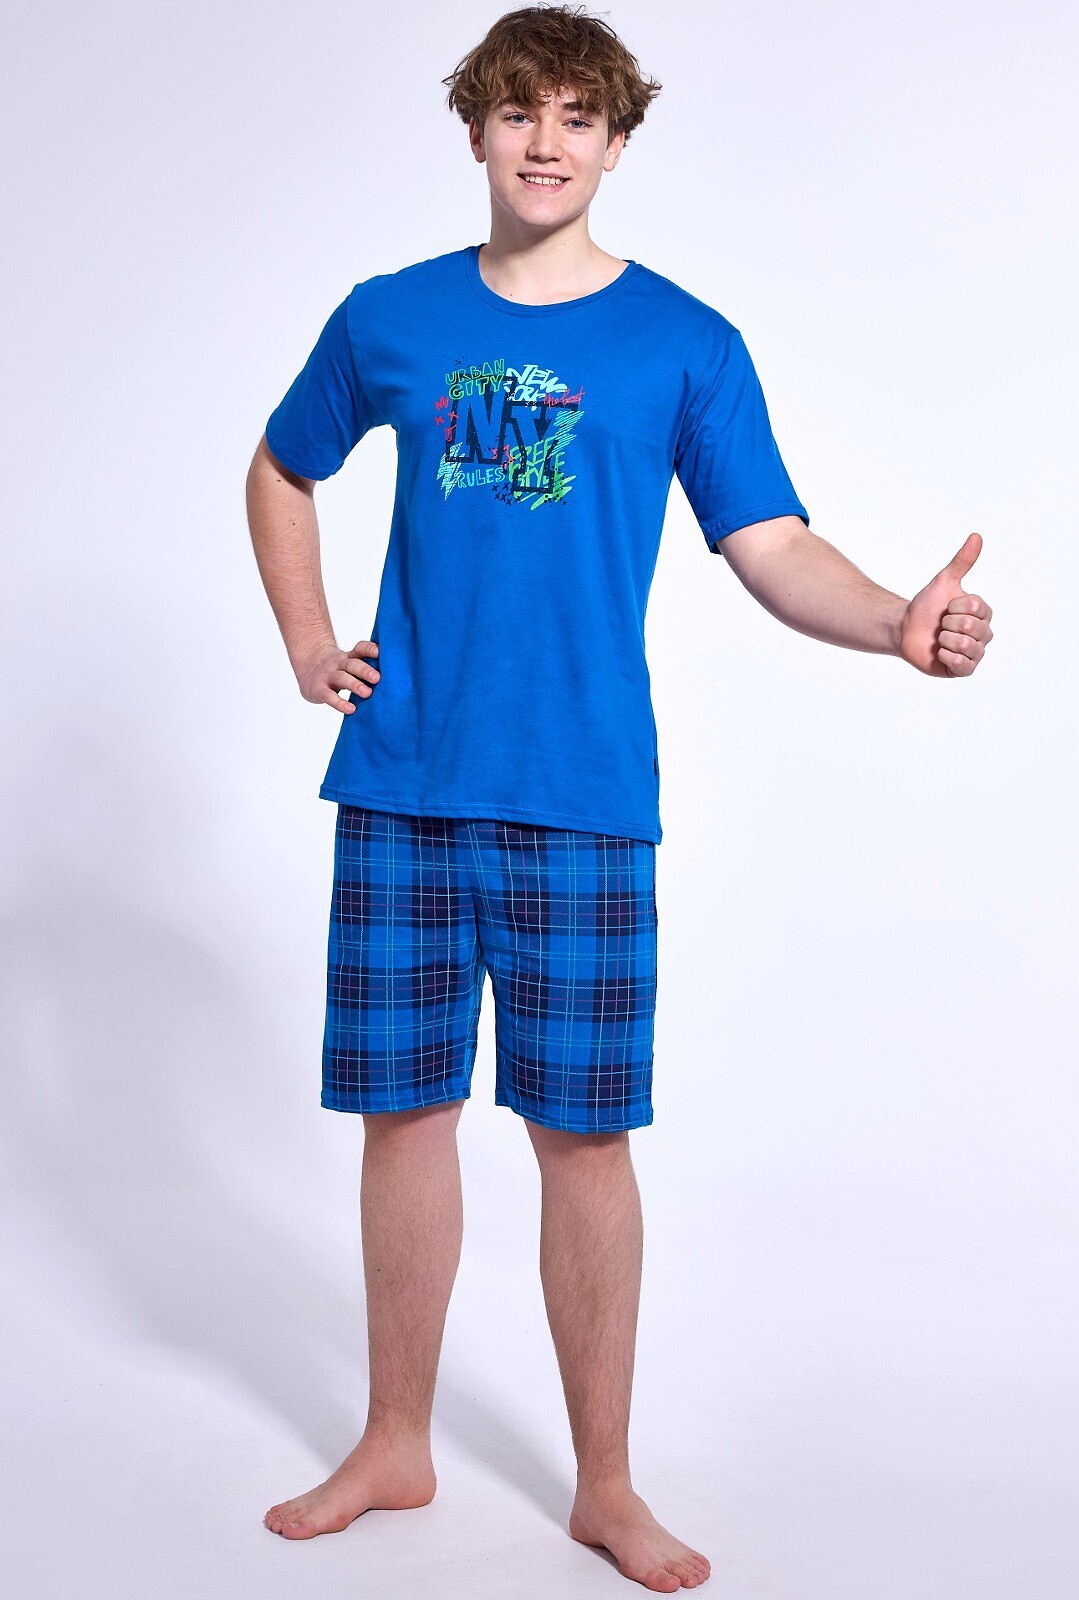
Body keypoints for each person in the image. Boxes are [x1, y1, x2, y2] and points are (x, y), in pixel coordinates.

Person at [244, 5, 993, 1592]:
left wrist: (895, 624)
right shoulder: (390, 316)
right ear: (475, 130)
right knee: (402, 1118)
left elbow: (770, 544)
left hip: (584, 794)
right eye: (519, 111)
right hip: (405, 782)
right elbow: (282, 464)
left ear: (617, 144)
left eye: (578, 117)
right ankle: (394, 1440)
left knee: (584, 1137)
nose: (546, 141)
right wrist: (311, 643)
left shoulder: (684, 343)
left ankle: (603, 1484)